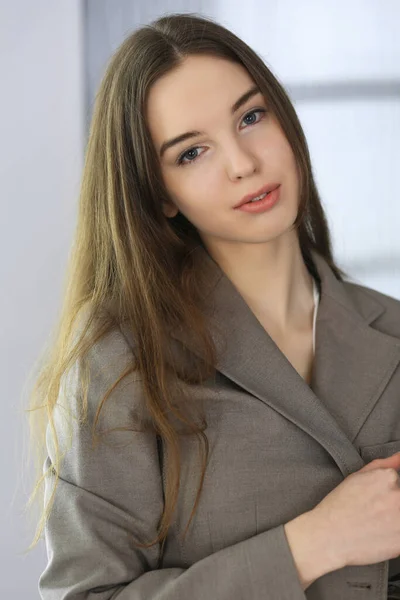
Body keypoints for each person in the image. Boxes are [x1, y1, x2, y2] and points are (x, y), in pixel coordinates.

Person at [25, 12, 400, 600]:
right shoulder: (118, 363)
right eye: (192, 153)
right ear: (160, 194)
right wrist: (314, 544)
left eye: (252, 117)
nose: (242, 163)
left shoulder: (393, 330)